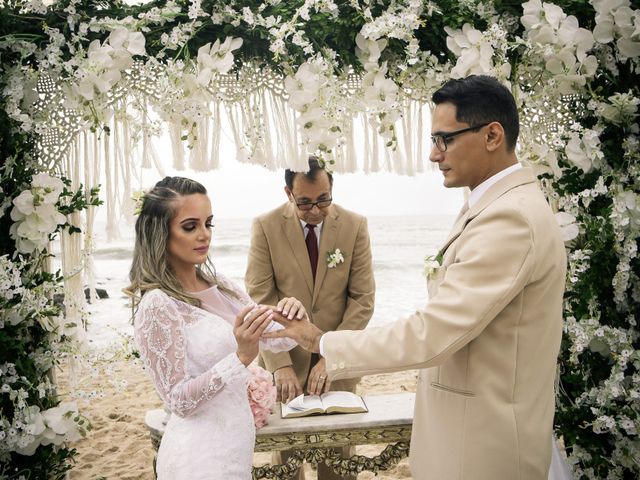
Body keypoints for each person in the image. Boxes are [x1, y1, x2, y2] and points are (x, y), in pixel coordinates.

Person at [266, 75, 567, 480]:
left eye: (444, 139)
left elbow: (434, 333)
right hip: (467, 433)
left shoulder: (510, 217)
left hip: (480, 446)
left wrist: (322, 342)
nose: (432, 154)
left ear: (492, 135)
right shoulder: (497, 205)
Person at [125, 176, 303, 480]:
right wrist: (240, 358)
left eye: (209, 223)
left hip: (236, 448)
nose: (204, 235)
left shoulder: (223, 287)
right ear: (160, 232)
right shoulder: (158, 304)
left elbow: (276, 340)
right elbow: (178, 401)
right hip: (197, 457)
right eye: (190, 226)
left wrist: (293, 318)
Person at [245, 157, 375, 480]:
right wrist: (280, 365)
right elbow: (259, 299)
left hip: (338, 367)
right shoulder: (265, 226)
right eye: (304, 203)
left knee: (339, 464)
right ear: (288, 192)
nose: (315, 210)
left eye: (323, 200)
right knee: (286, 466)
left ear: (331, 188)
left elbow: (363, 299)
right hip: (286, 369)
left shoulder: (356, 225)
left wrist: (333, 355)